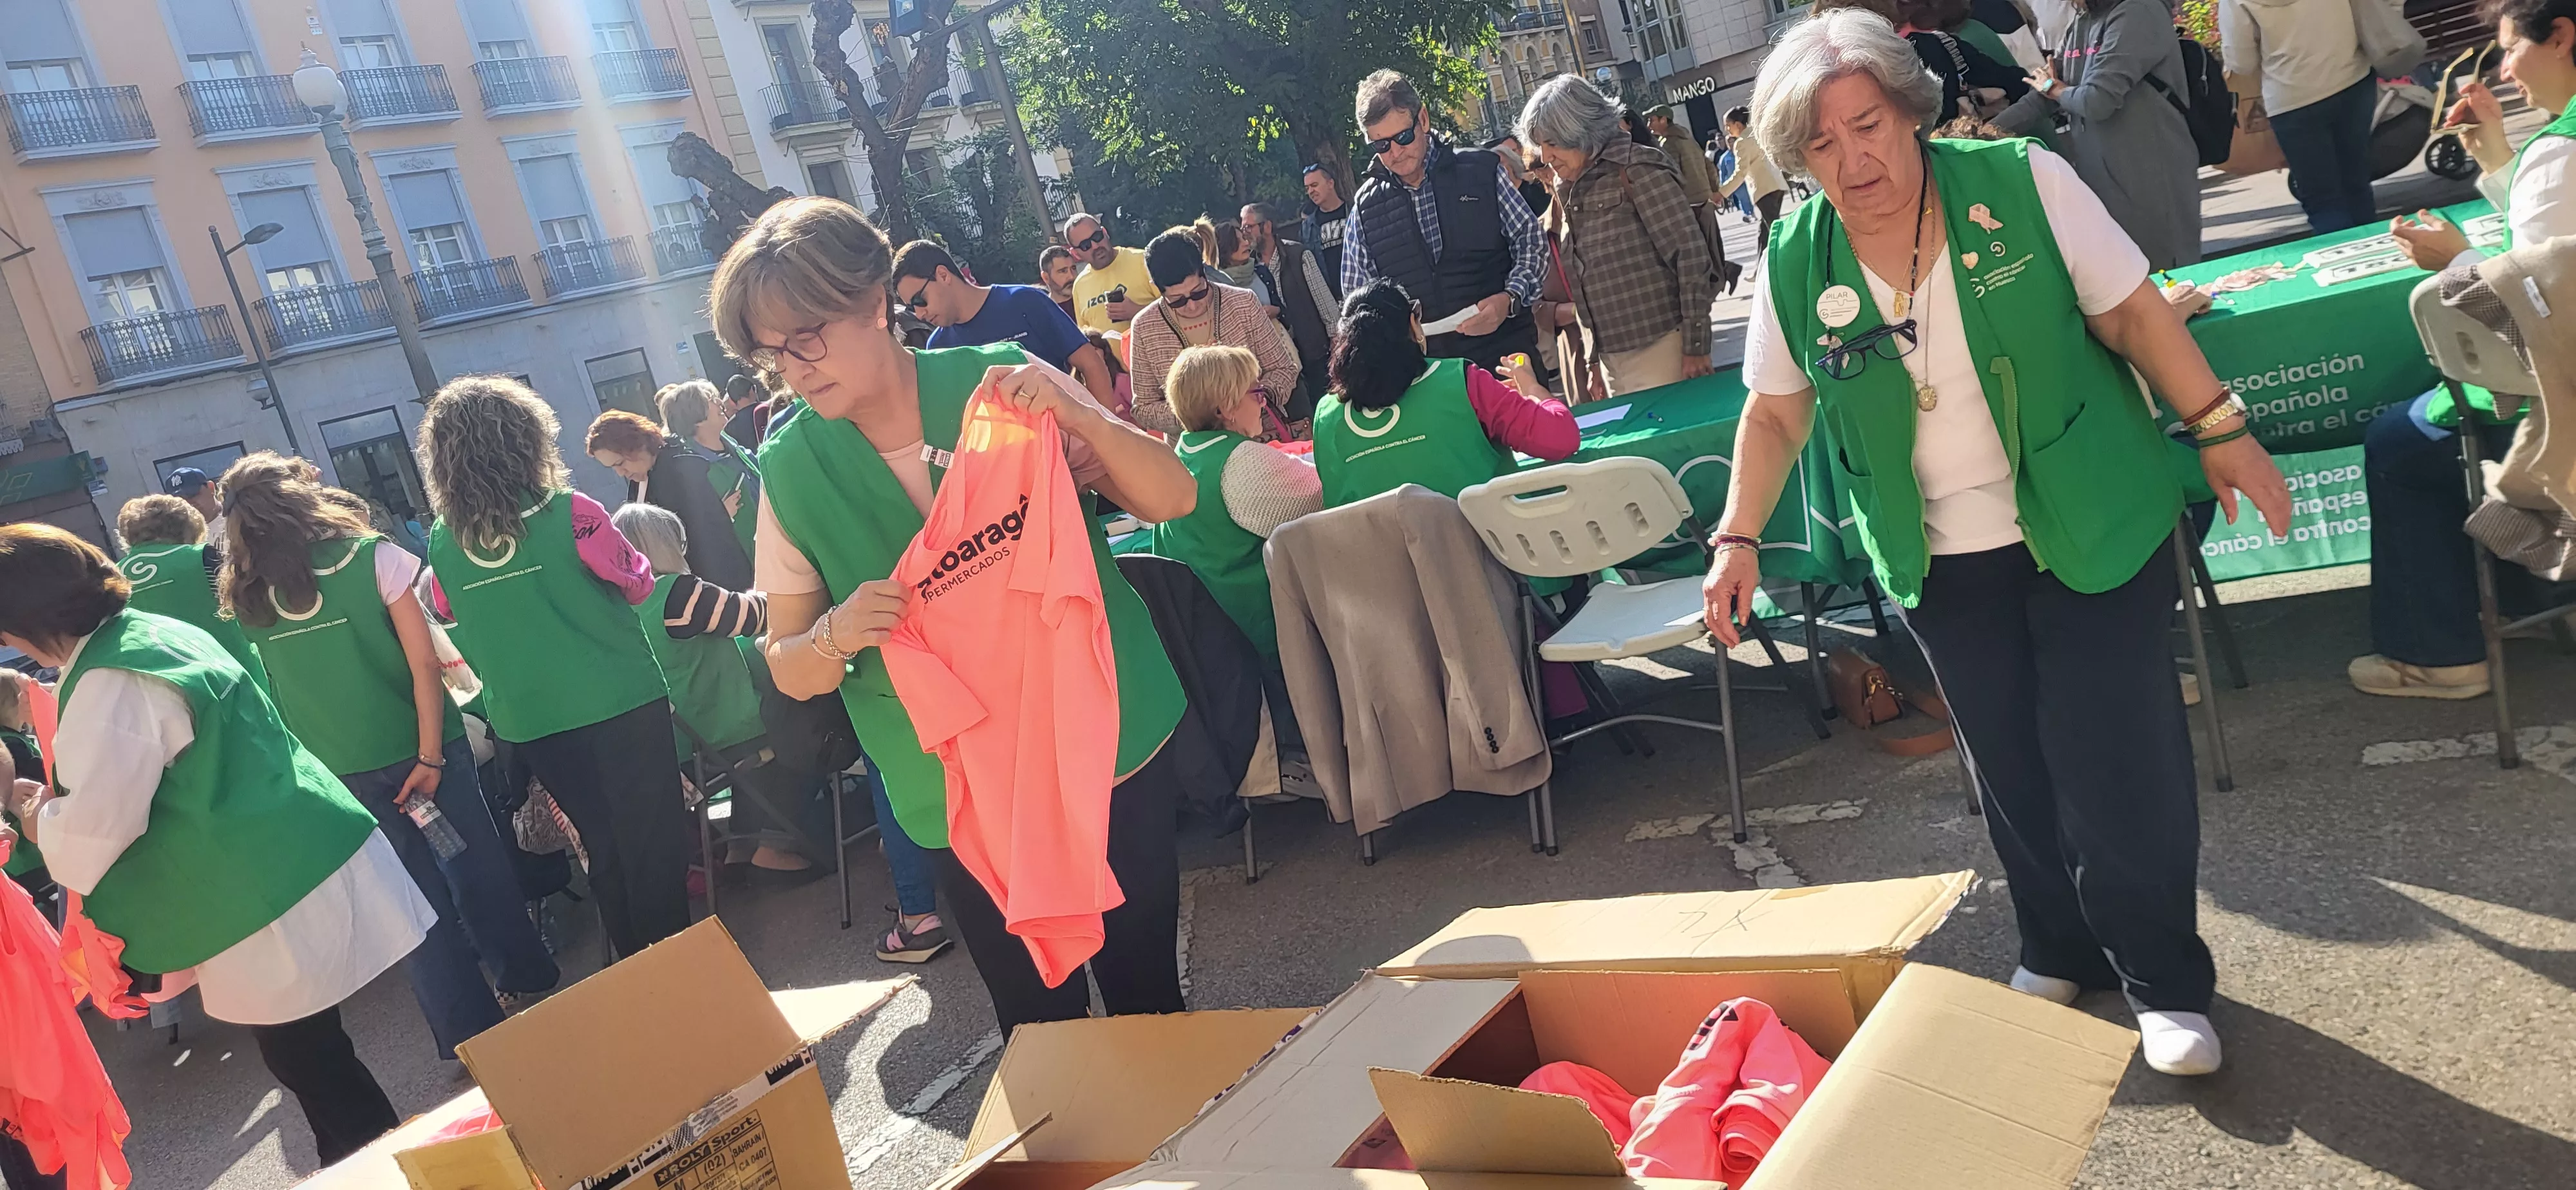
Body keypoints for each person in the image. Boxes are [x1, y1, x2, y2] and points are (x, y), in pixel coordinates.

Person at [1698, 10, 2291, 1077]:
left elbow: (2135, 316)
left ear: (1908, 111)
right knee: (2010, 763)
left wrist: (2221, 427)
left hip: (2089, 518)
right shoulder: (1799, 254)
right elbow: (1776, 413)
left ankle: (2164, 981)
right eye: (1822, 142)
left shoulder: (2020, 182)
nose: (1853, 157)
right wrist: (1738, 534)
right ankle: (2058, 944)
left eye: (1867, 124)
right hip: (1939, 555)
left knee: (2118, 759)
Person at [710, 195, 1195, 1035]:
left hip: (1102, 742)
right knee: (1042, 1034)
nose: (795, 368)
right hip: (959, 794)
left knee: (1149, 996)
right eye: (772, 355)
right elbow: (788, 665)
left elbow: (1173, 497)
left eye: (808, 336)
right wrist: (836, 632)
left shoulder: (1001, 381)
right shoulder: (791, 471)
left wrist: (1084, 421)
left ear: (872, 302)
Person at [0, 523, 433, 1164]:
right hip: (299, 850)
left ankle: (391, 1174)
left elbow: (93, 837)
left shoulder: (109, 682)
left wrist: (34, 812)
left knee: (318, 1072)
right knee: (319, 1065)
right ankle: (368, 1169)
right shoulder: (154, 636)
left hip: (258, 894)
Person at [214, 453, 559, 1062]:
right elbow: (425, 662)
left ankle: (464, 1035)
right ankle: (527, 976)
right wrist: (430, 754)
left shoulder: (246, 592)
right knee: (474, 866)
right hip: (424, 749)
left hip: (340, 768)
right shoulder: (373, 556)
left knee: (407, 905)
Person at [417, 376, 692, 963]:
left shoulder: (444, 538)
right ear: (526, 439)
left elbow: (444, 608)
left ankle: (641, 965)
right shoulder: (573, 512)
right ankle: (682, 967)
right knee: (655, 841)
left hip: (530, 717)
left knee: (603, 845)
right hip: (619, 697)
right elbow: (639, 583)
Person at [2353, 0, 2575, 698]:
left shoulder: (2560, 154)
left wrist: (2457, 260)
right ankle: (2530, 600)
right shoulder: (2552, 153)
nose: (2505, 71)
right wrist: (2500, 159)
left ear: (2562, 36)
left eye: (2509, 49)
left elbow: (2527, 315)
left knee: (2398, 444)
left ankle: (2439, 654)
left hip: (2560, 402)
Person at [605, 504, 834, 876]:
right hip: (724, 731)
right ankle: (774, 845)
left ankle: (740, 848)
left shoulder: (619, 609)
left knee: (761, 734)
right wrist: (792, 591)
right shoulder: (675, 594)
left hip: (679, 746)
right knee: (808, 727)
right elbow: (756, 616)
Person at [1522, 77, 1722, 395]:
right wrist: (1593, 363)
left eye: (1553, 143)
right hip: (1610, 361)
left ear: (1581, 130)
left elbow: (1691, 257)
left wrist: (1695, 347)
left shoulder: (1637, 168)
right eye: (1540, 145)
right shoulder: (1568, 186)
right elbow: (1585, 281)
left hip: (1662, 347)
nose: (1545, 157)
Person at [1341, 70, 1549, 373]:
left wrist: (1510, 298)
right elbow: (1357, 302)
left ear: (1422, 119)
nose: (1396, 152)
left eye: (1402, 137)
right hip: (1423, 378)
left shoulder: (1481, 171)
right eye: (1381, 145)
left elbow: (1532, 244)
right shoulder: (1365, 206)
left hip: (1505, 360)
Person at [1316, 280, 1578, 506]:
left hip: (1385, 563)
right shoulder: (1463, 382)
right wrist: (1531, 387)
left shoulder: (1326, 416)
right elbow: (1562, 438)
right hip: (1489, 557)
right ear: (1413, 324)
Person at [1148, 345, 1323, 656]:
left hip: (1207, 636)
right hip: (1264, 636)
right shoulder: (1241, 461)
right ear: (1225, 408)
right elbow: (1323, 498)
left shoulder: (1181, 455)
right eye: (1255, 392)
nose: (1262, 401)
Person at [2025, 0, 2204, 269]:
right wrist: (1975, 136)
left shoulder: (2139, 11)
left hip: (2151, 178)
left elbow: (2097, 101)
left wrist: (2054, 89)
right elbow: (2039, 98)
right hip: (2103, 182)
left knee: (2170, 283)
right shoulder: (2083, 22)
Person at [1128, 228, 1305, 437]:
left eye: (1198, 292)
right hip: (1196, 457)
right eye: (1178, 301)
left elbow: (1283, 370)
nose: (1192, 306)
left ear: (1205, 272)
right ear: (1156, 288)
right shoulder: (1145, 326)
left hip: (1263, 437)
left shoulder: (1243, 303)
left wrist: (1252, 401)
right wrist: (1198, 417)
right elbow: (1144, 408)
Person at [895, 240, 1117, 403]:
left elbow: (1091, 364)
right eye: (910, 307)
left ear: (943, 275)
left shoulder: (1024, 301)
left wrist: (1106, 439)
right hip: (1005, 463)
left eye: (919, 300)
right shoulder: (937, 347)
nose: (918, 314)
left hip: (1068, 451)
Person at [2222, 0, 2378, 232]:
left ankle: (2343, 259)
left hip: (2291, 99)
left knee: (2323, 199)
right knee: (2356, 184)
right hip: (2352, 79)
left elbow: (2242, 63)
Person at [586, 410, 755, 592]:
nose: (620, 473)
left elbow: (707, 540)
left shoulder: (679, 471)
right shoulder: (644, 476)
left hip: (713, 590)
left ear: (636, 445)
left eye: (620, 463)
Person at [112, 496, 269, 690]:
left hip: (158, 687)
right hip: (231, 676)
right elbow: (248, 610)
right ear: (189, 526)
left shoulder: (112, 577)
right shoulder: (202, 556)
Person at [1238, 202, 1341, 411]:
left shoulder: (1299, 255)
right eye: (1243, 228)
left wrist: (1336, 346)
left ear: (1266, 226)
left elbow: (1326, 305)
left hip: (1314, 354)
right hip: (1280, 364)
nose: (1245, 233)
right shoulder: (1248, 268)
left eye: (1249, 227)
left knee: (1329, 409)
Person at [658, 379, 763, 561]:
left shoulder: (735, 449)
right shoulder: (694, 473)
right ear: (696, 417)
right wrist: (719, 517)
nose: (720, 402)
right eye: (711, 399)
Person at [1065, 212, 1161, 334]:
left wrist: (1137, 312)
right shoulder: (1079, 286)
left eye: (1097, 237)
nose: (1095, 246)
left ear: (1105, 232)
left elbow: (1177, 308)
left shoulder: (1143, 260)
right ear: (1076, 254)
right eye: (1085, 245)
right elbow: (1088, 338)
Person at [1720, 107, 1792, 250]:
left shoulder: (1741, 142)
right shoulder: (1758, 134)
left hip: (1763, 189)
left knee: (1774, 230)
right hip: (1776, 184)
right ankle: (1761, 267)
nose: (1727, 129)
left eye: (1728, 125)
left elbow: (1740, 172)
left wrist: (1722, 193)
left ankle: (1791, 259)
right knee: (1765, 231)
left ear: (1738, 125)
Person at [1645, 104, 1728, 207]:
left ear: (1663, 120)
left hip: (1689, 203)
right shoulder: (1689, 140)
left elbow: (1672, 176)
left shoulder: (1669, 144)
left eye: (1651, 120)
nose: (1649, 125)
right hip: (1706, 201)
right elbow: (1709, 166)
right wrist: (1714, 190)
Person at [1301, 164, 1351, 298]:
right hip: (1332, 299)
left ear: (1330, 183)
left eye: (1315, 185)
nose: (1311, 191)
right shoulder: (1308, 227)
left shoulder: (1355, 212)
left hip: (1363, 289)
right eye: (1307, 188)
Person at [164, 467, 225, 544]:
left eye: (192, 494)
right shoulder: (181, 539)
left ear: (211, 488)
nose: (189, 503)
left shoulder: (237, 516)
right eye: (181, 500)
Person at [1038, 243, 1082, 323]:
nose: (1071, 276)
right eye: (1063, 271)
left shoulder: (1088, 300)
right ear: (1046, 277)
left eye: (1073, 268)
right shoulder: (1043, 315)